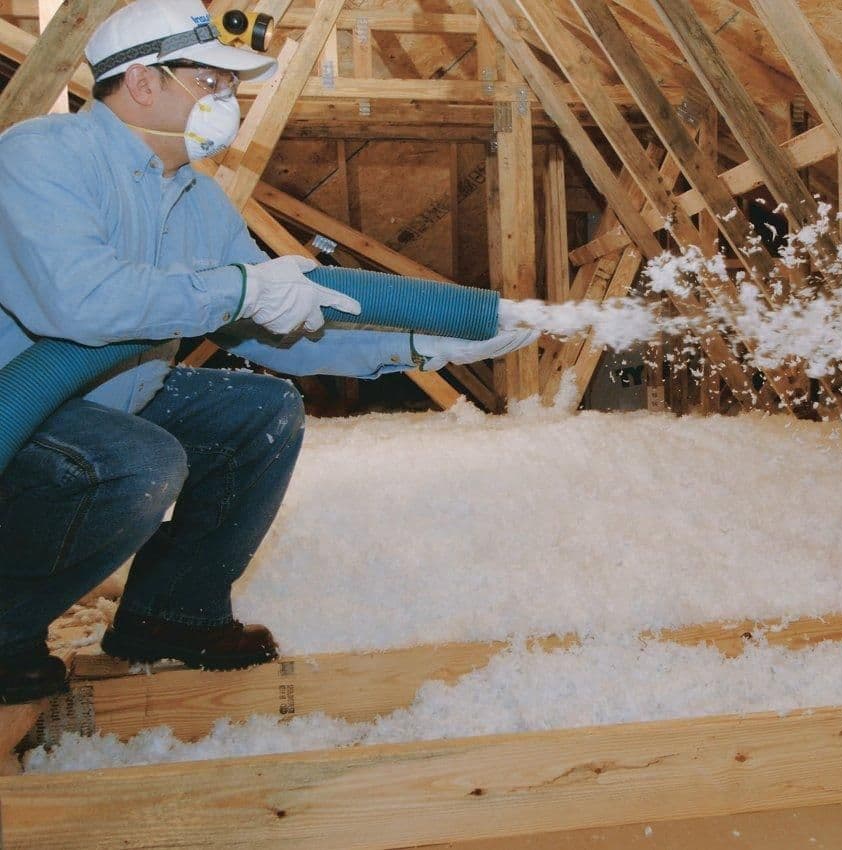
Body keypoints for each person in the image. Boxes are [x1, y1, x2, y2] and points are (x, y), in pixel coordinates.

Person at [0, 0, 537, 704]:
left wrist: (413, 344)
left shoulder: (195, 199)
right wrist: (237, 289)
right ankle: (7, 629)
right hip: (21, 409)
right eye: (211, 82)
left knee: (260, 410)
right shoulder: (39, 157)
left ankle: (172, 612)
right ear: (142, 83)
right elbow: (85, 305)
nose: (226, 102)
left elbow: (273, 320)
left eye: (229, 87)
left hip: (111, 393)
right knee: (139, 461)